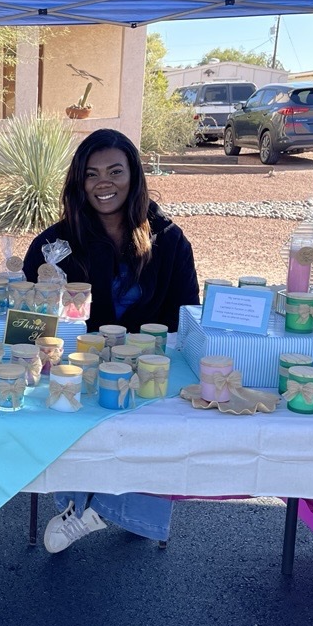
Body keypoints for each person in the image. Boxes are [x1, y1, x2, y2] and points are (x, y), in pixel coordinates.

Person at [22, 128, 199, 553]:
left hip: (149, 373)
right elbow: (28, 319)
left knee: (158, 426)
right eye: (92, 173)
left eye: (115, 171)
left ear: (134, 176)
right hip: (75, 372)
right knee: (69, 417)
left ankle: (106, 509)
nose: (105, 183)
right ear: (79, 182)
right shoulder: (53, 246)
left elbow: (186, 315)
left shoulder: (169, 240)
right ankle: (82, 504)